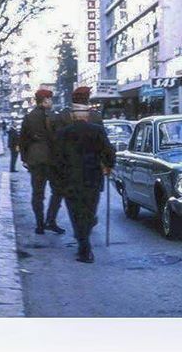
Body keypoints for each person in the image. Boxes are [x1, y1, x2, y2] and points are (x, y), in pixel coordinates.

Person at [54, 102, 115, 263]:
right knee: (88, 211)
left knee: (75, 213)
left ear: (73, 116)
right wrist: (108, 166)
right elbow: (109, 151)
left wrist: (58, 179)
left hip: (70, 179)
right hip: (92, 178)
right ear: (87, 116)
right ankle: (84, 244)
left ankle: (84, 246)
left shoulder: (62, 133)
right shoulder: (97, 131)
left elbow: (57, 159)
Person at [20, 89, 64, 235]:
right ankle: (50, 220)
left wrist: (24, 158)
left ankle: (39, 225)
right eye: (50, 99)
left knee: (37, 193)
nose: (51, 102)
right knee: (57, 190)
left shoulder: (28, 117)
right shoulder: (54, 117)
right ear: (45, 100)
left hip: (35, 158)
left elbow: (23, 140)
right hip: (52, 159)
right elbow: (59, 139)